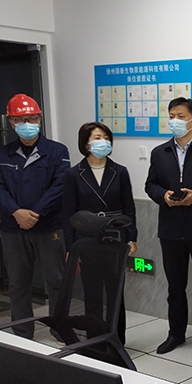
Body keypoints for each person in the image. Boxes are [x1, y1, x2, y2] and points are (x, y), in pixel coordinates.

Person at [145, 97, 192, 356]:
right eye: (171, 116)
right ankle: (175, 334)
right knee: (175, 287)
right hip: (170, 229)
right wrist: (163, 196)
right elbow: (150, 185)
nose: (175, 121)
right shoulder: (160, 152)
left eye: (180, 116)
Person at [0, 94, 70, 340]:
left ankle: (60, 330)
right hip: (13, 228)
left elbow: (60, 186)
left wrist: (36, 213)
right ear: (11, 122)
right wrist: (16, 212)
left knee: (56, 281)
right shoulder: (2, 155)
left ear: (40, 119)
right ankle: (22, 332)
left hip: (48, 226)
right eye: (20, 120)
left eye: (32, 118)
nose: (27, 124)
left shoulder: (57, 151)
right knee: (17, 284)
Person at [63, 122, 137, 344]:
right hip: (87, 239)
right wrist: (70, 247)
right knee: (92, 292)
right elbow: (68, 213)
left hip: (115, 236)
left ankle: (117, 339)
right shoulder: (73, 174)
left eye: (106, 137)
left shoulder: (120, 171)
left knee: (116, 293)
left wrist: (132, 237)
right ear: (86, 143)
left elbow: (129, 207)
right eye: (97, 137)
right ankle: (94, 340)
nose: (103, 141)